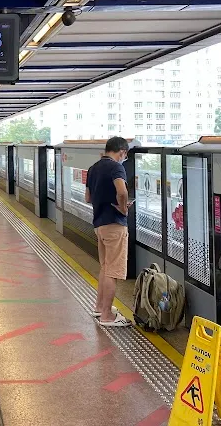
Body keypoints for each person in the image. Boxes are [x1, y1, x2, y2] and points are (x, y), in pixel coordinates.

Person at [85, 137, 132, 327]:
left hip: (99, 224)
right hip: (114, 224)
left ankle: (99, 307)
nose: (124, 158)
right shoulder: (116, 167)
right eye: (125, 155)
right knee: (113, 271)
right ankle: (107, 315)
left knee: (105, 267)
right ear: (121, 152)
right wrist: (123, 208)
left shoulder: (93, 168)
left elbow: (88, 197)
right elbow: (122, 191)